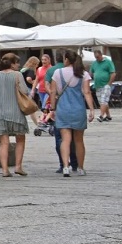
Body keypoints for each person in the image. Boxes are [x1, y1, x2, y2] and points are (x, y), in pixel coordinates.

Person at [49, 49, 95, 177]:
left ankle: (65, 166)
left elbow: (53, 92)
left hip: (63, 109)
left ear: (66, 59)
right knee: (79, 141)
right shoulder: (83, 74)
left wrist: (52, 109)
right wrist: (91, 109)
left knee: (65, 140)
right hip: (78, 109)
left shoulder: (58, 73)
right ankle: (80, 168)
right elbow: (87, 92)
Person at [0, 53, 31, 177]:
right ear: (12, 64)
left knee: (4, 142)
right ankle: (18, 166)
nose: (19, 65)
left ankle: (5, 170)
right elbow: (25, 91)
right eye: (17, 62)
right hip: (15, 112)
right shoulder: (17, 75)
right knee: (20, 139)